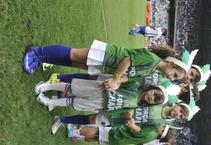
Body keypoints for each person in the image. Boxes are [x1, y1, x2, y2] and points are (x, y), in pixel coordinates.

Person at [23, 41, 191, 91]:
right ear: (171, 63)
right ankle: (36, 52)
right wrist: (115, 78)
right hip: (109, 55)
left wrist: (117, 82)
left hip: (107, 66)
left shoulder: (153, 68)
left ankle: (43, 58)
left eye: (175, 79)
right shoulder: (152, 59)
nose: (172, 78)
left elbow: (130, 75)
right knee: (73, 54)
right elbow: (127, 61)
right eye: (175, 74)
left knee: (73, 63)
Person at [35, 78, 171, 112]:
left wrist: (102, 109)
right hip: (102, 90)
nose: (151, 98)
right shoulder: (138, 86)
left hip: (102, 104)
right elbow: (126, 78)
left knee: (74, 102)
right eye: (153, 94)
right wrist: (117, 82)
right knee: (74, 88)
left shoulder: (138, 105)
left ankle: (49, 102)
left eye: (153, 100)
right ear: (152, 88)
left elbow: (120, 109)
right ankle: (47, 86)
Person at [51, 103, 191, 134]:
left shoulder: (160, 123)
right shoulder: (161, 100)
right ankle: (59, 97)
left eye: (180, 117)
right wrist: (130, 109)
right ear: (178, 105)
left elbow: (142, 131)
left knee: (91, 119)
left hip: (118, 120)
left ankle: (61, 119)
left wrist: (134, 126)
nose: (177, 115)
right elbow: (142, 96)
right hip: (119, 106)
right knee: (86, 102)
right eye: (180, 111)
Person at [66, 119, 173, 145]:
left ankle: (73, 132)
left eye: (163, 127)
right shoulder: (151, 138)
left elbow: (138, 130)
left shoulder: (150, 134)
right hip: (118, 140)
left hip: (118, 134)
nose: (161, 126)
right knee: (96, 138)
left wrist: (132, 124)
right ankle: (77, 137)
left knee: (96, 132)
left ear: (162, 132)